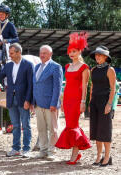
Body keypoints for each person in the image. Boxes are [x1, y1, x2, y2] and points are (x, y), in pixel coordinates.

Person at [55, 32, 91, 165]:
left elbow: (85, 86)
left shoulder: (84, 67)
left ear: (79, 52)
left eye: (74, 51)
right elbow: (67, 85)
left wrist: (83, 102)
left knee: (73, 125)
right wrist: (62, 101)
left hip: (77, 99)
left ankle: (75, 154)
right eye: (70, 51)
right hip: (67, 98)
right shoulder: (67, 66)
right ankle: (76, 152)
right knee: (69, 125)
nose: (71, 54)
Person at [32, 45, 63, 160]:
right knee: (41, 129)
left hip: (51, 104)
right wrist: (32, 102)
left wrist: (54, 103)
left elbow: (57, 87)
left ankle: (52, 151)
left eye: (45, 53)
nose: (42, 55)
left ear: (50, 54)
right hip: (38, 104)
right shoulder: (36, 67)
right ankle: (43, 150)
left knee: (52, 129)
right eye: (41, 53)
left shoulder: (56, 67)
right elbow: (34, 86)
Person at [89, 46, 116, 166]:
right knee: (96, 130)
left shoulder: (110, 70)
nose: (97, 57)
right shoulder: (93, 70)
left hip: (105, 102)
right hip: (94, 102)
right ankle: (99, 155)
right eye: (96, 55)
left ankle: (107, 156)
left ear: (105, 57)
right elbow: (93, 87)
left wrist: (109, 104)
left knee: (104, 130)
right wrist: (90, 102)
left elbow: (113, 89)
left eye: (99, 55)